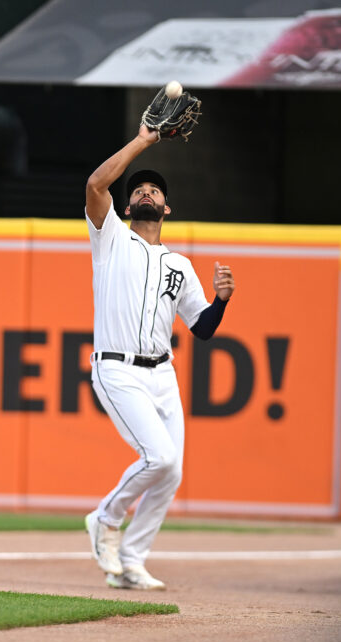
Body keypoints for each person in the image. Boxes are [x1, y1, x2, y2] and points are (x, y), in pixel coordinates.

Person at [83, 123, 234, 590]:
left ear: (167, 208)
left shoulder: (180, 265)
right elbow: (94, 184)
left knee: (171, 472)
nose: (147, 193)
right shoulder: (111, 237)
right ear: (127, 207)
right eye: (139, 191)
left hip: (162, 375)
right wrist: (146, 139)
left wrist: (222, 301)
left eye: (155, 190)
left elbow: (202, 330)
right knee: (160, 457)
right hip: (117, 368)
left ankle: (131, 559)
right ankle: (105, 519)